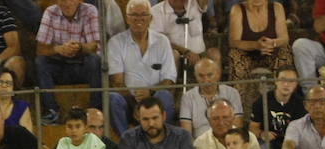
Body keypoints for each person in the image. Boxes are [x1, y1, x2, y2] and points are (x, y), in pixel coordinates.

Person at [107, 0, 176, 139]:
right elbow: (117, 82)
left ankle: (161, 139)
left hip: (154, 100)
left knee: (165, 96)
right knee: (112, 98)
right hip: (129, 101)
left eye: (143, 14)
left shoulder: (162, 41)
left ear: (150, 18)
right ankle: (126, 141)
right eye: (134, 15)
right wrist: (135, 101)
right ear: (127, 18)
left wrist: (150, 92)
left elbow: (169, 80)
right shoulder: (115, 42)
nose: (139, 19)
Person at [35, 0, 101, 126]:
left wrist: (79, 47)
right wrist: (57, 49)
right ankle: (52, 112)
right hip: (60, 67)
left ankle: (94, 110)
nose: (67, 3)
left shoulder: (90, 11)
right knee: (40, 62)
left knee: (95, 60)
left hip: (82, 66)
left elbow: (94, 46)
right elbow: (40, 49)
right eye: (63, 0)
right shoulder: (50, 12)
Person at [227, 0, 293, 111]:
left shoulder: (276, 8)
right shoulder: (237, 10)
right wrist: (256, 45)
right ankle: (239, 111)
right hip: (247, 55)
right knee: (234, 54)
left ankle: (284, 106)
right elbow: (233, 41)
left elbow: (284, 39)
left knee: (285, 52)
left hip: (272, 53)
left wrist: (272, 43)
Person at [250, 67, 303, 149]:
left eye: (291, 81)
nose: (286, 84)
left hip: (292, 143)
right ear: (276, 80)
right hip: (270, 142)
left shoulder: (300, 103)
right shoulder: (262, 101)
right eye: (283, 80)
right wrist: (262, 133)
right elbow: (253, 128)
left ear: (296, 83)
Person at [179, 58, 242, 137]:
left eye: (209, 75)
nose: (206, 80)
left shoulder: (232, 93)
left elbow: (237, 126)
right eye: (201, 76)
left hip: (228, 142)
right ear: (195, 76)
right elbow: (186, 133)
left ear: (218, 74)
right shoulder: (188, 97)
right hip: (200, 144)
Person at [151, 0, 215, 77]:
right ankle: (170, 87)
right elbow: (160, 40)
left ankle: (214, 88)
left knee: (214, 54)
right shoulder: (156, 11)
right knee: (174, 55)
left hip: (199, 54)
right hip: (174, 54)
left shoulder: (196, 4)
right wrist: (185, 51)